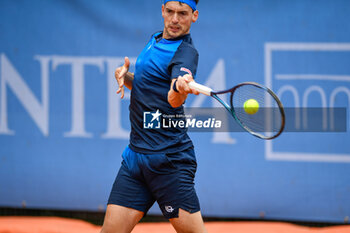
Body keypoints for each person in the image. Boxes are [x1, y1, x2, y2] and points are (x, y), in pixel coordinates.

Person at [100, 0, 207, 232]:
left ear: (194, 15)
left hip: (168, 161)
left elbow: (173, 99)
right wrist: (125, 75)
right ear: (162, 11)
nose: (175, 20)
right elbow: (147, 85)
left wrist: (179, 89)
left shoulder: (186, 53)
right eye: (170, 12)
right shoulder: (155, 39)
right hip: (135, 158)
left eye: (183, 13)